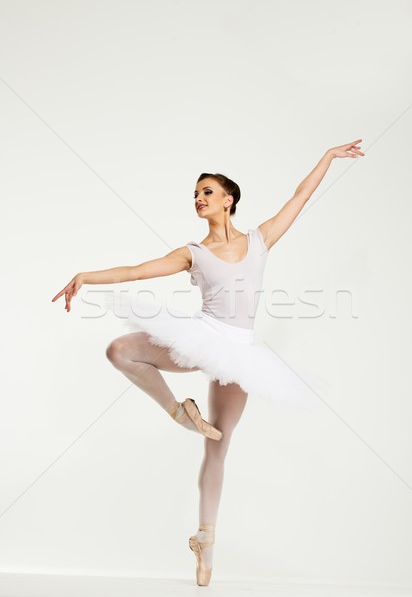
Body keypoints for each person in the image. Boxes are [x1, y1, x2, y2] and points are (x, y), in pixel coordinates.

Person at [52, 139, 364, 586]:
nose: (199, 199)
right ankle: (180, 412)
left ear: (229, 199)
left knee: (218, 444)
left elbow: (300, 196)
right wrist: (87, 275)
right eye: (195, 194)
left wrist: (329, 157)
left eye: (207, 192)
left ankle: (205, 544)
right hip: (200, 337)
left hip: (239, 351)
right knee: (121, 350)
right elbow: (138, 270)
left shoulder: (261, 238)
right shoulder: (191, 253)